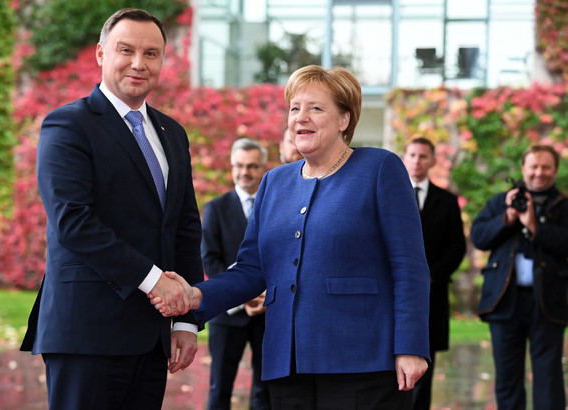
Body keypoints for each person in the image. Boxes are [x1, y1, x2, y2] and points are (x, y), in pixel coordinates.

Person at [154, 65, 431, 409]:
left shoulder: (380, 168)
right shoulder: (274, 182)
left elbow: (409, 266)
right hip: (286, 363)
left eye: (315, 108)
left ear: (344, 119)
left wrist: (411, 346)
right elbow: (252, 269)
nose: (301, 117)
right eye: (294, 108)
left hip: (362, 358)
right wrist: (196, 296)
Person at [20, 8, 204, 409]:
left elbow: (185, 227)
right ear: (102, 54)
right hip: (87, 333)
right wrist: (157, 282)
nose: (139, 63)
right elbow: (74, 222)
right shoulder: (67, 125)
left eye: (152, 54)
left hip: (152, 337)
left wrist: (187, 319)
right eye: (127, 50)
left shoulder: (172, 133)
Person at [471, 144, 568, 410]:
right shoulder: (501, 201)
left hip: (547, 301)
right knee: (507, 377)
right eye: (534, 166)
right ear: (524, 169)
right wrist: (508, 216)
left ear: (555, 170)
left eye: (546, 167)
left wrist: (535, 226)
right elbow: (479, 237)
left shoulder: (563, 205)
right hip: (504, 301)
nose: (539, 173)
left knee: (549, 377)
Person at [201, 138, 270, 410]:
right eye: (239, 166)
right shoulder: (215, 208)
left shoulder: (273, 206)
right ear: (231, 167)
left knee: (264, 389)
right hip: (228, 314)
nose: (245, 172)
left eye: (252, 166)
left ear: (263, 168)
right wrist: (243, 298)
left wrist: (264, 297)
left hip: (267, 312)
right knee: (220, 387)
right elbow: (210, 259)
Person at [402, 137, 466, 410]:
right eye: (413, 155)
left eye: (423, 156)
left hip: (432, 294)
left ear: (432, 161)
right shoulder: (388, 196)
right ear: (405, 157)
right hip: (395, 292)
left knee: (424, 363)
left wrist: (431, 276)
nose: (417, 161)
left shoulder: (447, 201)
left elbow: (457, 247)